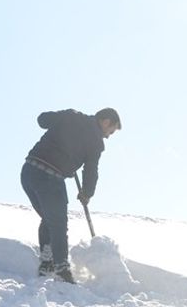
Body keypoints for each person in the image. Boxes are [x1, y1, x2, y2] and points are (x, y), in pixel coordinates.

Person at [21, 107, 121, 283]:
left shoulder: (71, 116)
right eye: (110, 132)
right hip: (50, 177)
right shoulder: (95, 142)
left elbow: (42, 120)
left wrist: (63, 121)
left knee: (50, 218)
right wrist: (87, 193)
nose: (107, 136)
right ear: (105, 122)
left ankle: (47, 262)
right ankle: (61, 268)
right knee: (58, 223)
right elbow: (91, 170)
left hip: (29, 172)